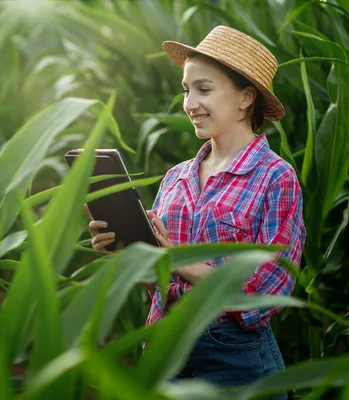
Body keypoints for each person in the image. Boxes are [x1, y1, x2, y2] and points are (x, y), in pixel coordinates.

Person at [87, 25, 305, 398]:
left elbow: (268, 288)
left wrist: (175, 258)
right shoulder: (176, 178)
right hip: (163, 348)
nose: (190, 103)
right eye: (187, 90)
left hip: (234, 360)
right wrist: (127, 252)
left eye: (204, 89)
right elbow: (157, 281)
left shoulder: (275, 177)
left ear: (245, 98)